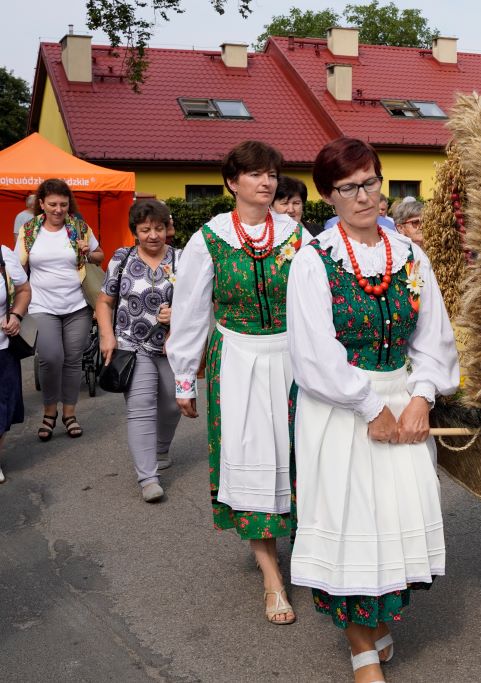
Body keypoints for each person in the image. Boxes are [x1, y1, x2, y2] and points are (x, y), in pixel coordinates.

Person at [288, 136, 459, 683]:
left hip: (400, 402)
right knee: (353, 520)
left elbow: (435, 338)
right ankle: (361, 648)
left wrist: (420, 397)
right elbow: (313, 353)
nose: (363, 196)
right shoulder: (312, 262)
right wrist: (368, 405)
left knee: (394, 519)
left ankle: (377, 621)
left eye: (370, 182)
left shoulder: (410, 256)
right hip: (339, 410)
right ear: (327, 196)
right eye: (348, 188)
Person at [167, 140, 309, 625]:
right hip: (238, 360)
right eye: (255, 174)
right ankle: (272, 577)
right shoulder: (208, 239)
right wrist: (184, 377)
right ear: (232, 183)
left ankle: (311, 552)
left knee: (300, 459)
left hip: (293, 359)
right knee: (250, 461)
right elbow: (188, 311)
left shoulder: (296, 235)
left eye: (271, 173)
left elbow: (319, 300)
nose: (267, 182)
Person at [95, 199, 181, 503]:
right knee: (141, 406)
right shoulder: (122, 258)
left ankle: (160, 448)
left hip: (172, 347)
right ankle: (148, 477)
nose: (153, 235)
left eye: (159, 228)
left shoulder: (182, 259)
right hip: (133, 345)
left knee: (173, 404)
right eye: (146, 230)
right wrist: (107, 336)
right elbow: (104, 302)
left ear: (167, 228)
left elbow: (198, 304)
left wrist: (178, 313)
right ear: (135, 231)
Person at [15, 179, 104, 441]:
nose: (58, 209)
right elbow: (17, 266)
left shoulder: (78, 227)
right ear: (41, 203)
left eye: (63, 204)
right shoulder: (29, 230)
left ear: (69, 204)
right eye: (52, 204)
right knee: (51, 358)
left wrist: (88, 253)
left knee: (73, 359)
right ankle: (49, 412)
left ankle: (69, 414)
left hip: (77, 305)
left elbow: (100, 255)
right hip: (42, 305)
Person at [0, 242, 31, 483]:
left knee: (3, 404)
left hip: (3, 347)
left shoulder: (4, 255)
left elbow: (23, 290)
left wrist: (17, 315)